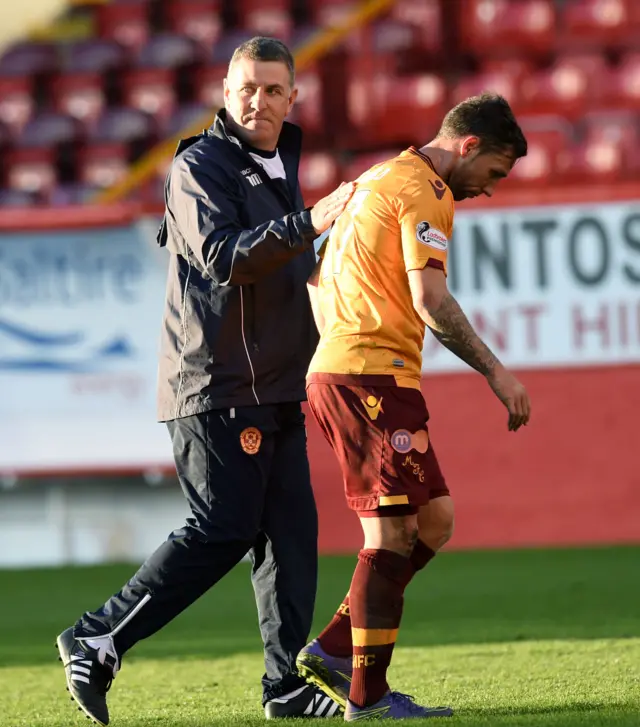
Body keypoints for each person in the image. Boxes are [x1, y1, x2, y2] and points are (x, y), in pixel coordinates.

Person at [56, 36, 354, 725]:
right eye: (247, 87)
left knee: (290, 533)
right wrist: (311, 220)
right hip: (217, 383)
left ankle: (285, 687)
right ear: (225, 91)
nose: (259, 100)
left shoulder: (280, 162)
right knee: (223, 527)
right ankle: (97, 634)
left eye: (273, 89)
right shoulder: (199, 164)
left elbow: (286, 264)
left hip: (276, 383)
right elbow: (224, 258)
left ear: (292, 97)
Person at [295, 93, 531, 721]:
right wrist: (496, 372)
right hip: (369, 377)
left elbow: (316, 278)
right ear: (470, 144)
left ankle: (337, 647)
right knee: (392, 530)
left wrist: (337, 347)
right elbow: (431, 299)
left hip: (356, 372)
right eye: (495, 173)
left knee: (434, 521)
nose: (490, 189)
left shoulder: (376, 178)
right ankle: (367, 699)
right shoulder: (428, 193)